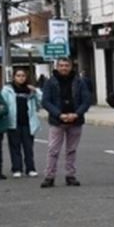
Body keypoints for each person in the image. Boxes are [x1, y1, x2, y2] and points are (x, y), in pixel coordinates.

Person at [39, 58, 93, 188]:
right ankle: (49, 176)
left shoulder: (80, 82)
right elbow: (45, 101)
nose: (64, 68)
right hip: (57, 121)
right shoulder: (50, 82)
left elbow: (86, 100)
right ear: (57, 67)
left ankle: (70, 175)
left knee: (71, 150)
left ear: (71, 66)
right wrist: (59, 114)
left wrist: (77, 114)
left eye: (66, 65)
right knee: (53, 150)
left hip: (75, 120)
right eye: (61, 65)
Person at [1, 68, 40, 176]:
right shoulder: (7, 90)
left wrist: (36, 91)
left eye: (23, 76)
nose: (21, 78)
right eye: (18, 75)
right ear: (14, 77)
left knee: (28, 147)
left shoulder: (30, 90)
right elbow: (2, 104)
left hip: (28, 122)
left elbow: (41, 102)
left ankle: (30, 168)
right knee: (15, 146)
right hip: (13, 122)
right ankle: (16, 168)